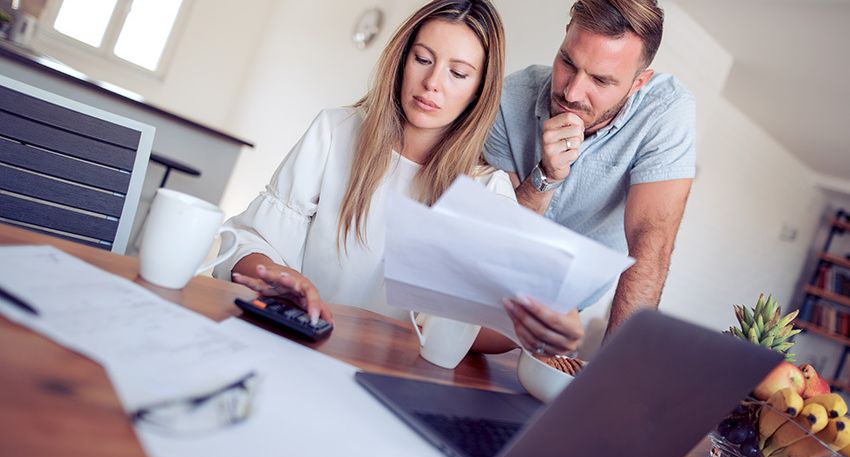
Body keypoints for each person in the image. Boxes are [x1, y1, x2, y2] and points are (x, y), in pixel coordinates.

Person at [213, 0, 584, 356]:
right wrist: (277, 274)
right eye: (423, 59)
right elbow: (248, 242)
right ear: (402, 59)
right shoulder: (334, 132)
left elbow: (479, 326)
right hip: (291, 345)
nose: (432, 83)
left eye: (457, 73)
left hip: (387, 376)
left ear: (477, 91)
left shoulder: (487, 190)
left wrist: (533, 328)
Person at [484, 0, 696, 336]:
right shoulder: (510, 98)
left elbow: (650, 243)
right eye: (568, 62)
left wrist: (617, 371)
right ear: (567, 35)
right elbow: (494, 242)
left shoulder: (664, 113)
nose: (571, 92)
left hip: (567, 310)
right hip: (492, 288)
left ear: (638, 82)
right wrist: (545, 176)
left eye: (600, 80)